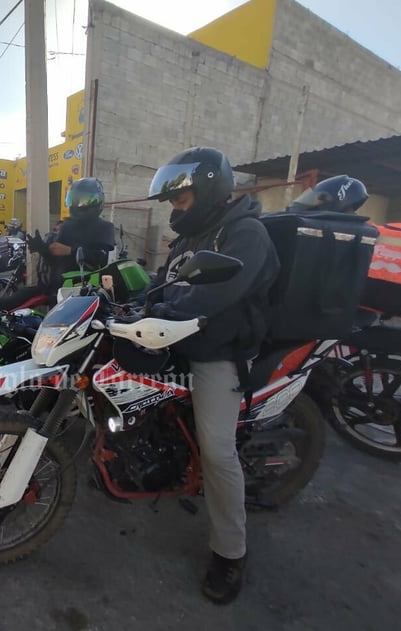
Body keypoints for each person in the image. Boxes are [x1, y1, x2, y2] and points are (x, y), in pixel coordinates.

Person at [144, 147, 280, 605]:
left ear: (207, 189)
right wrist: (131, 300)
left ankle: (230, 552)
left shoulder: (245, 233)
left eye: (180, 200)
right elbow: (164, 284)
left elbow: (212, 297)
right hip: (181, 342)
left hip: (219, 351)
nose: (175, 209)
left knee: (217, 449)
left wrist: (161, 311)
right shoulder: (190, 238)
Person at [27, 177, 116, 290]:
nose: (76, 204)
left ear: (97, 201)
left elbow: (101, 259)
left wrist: (71, 251)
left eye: (83, 200)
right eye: (74, 199)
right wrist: (42, 248)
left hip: (86, 290)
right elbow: (56, 260)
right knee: (12, 301)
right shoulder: (67, 225)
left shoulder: (105, 227)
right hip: (58, 287)